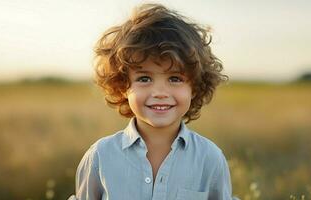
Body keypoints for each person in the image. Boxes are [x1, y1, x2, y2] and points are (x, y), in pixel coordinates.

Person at [69, 3, 239, 200]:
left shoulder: (210, 158)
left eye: (175, 78)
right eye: (144, 79)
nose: (159, 92)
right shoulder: (100, 156)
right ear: (124, 85)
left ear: (194, 87)